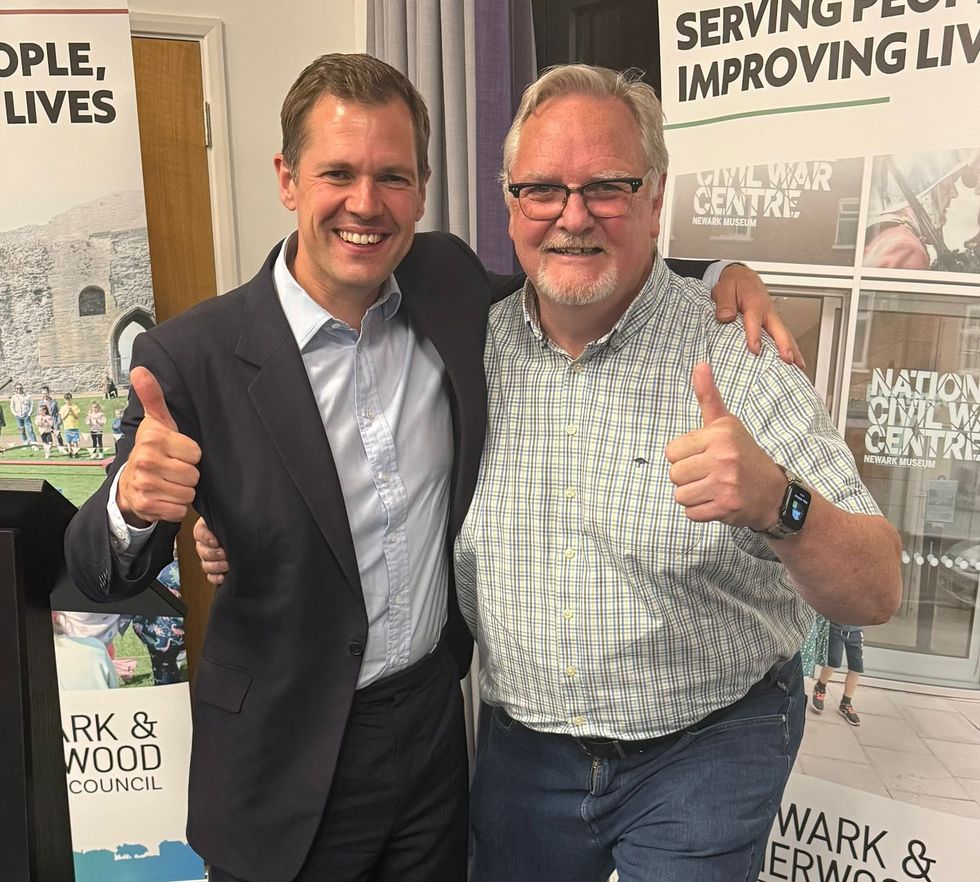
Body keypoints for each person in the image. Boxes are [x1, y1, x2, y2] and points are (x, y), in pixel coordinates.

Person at [67, 54, 794, 882]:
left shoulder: (444, 281)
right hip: (284, 758)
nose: (365, 204)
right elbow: (96, 572)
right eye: (337, 173)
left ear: (422, 189)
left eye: (393, 176)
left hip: (431, 737)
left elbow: (578, 263)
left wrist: (721, 277)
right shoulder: (192, 356)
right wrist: (132, 505)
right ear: (288, 179)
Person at [448, 65, 901, 882]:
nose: (573, 217)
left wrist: (778, 502)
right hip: (523, 751)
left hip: (709, 745)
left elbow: (877, 590)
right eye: (542, 189)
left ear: (655, 199)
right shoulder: (463, 351)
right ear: (511, 203)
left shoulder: (738, 351)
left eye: (607, 187)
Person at [812, 622, 865, 726]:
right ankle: (820, 686)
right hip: (836, 627)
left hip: (856, 630)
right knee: (833, 662)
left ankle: (846, 703)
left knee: (856, 667)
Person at [40, 384, 66, 452]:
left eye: (46, 393)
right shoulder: (40, 403)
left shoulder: (54, 402)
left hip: (54, 420)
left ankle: (62, 447)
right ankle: (48, 449)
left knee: (58, 434)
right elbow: (39, 413)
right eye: (43, 393)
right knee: (47, 436)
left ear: (48, 393)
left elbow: (58, 411)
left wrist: (59, 419)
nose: (44, 395)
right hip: (46, 422)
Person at [61, 392, 81, 457]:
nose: (68, 401)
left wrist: (72, 412)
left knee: (75, 441)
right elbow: (62, 418)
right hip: (67, 427)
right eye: (66, 400)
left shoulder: (75, 407)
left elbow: (77, 417)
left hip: (74, 426)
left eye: (69, 399)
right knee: (68, 441)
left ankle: (76, 452)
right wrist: (67, 412)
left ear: (71, 399)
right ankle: (70, 452)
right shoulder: (63, 407)